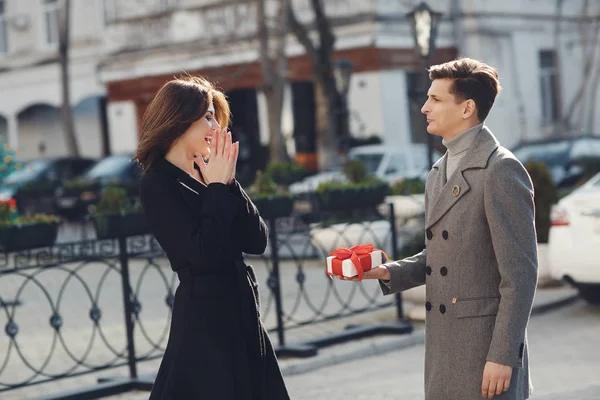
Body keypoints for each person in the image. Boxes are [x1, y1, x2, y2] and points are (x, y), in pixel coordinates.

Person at [335, 58, 538, 400]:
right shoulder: (438, 171)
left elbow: (520, 275)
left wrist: (503, 356)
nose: (424, 107)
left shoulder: (500, 170)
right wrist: (383, 272)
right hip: (444, 350)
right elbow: (442, 256)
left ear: (467, 108)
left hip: (485, 352)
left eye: (436, 99)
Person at [134, 76, 289, 400]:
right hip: (204, 321)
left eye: (215, 116)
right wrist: (217, 188)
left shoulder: (209, 172)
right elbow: (202, 254)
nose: (216, 125)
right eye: (206, 116)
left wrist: (228, 183)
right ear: (178, 120)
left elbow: (256, 241)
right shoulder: (158, 183)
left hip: (241, 313)